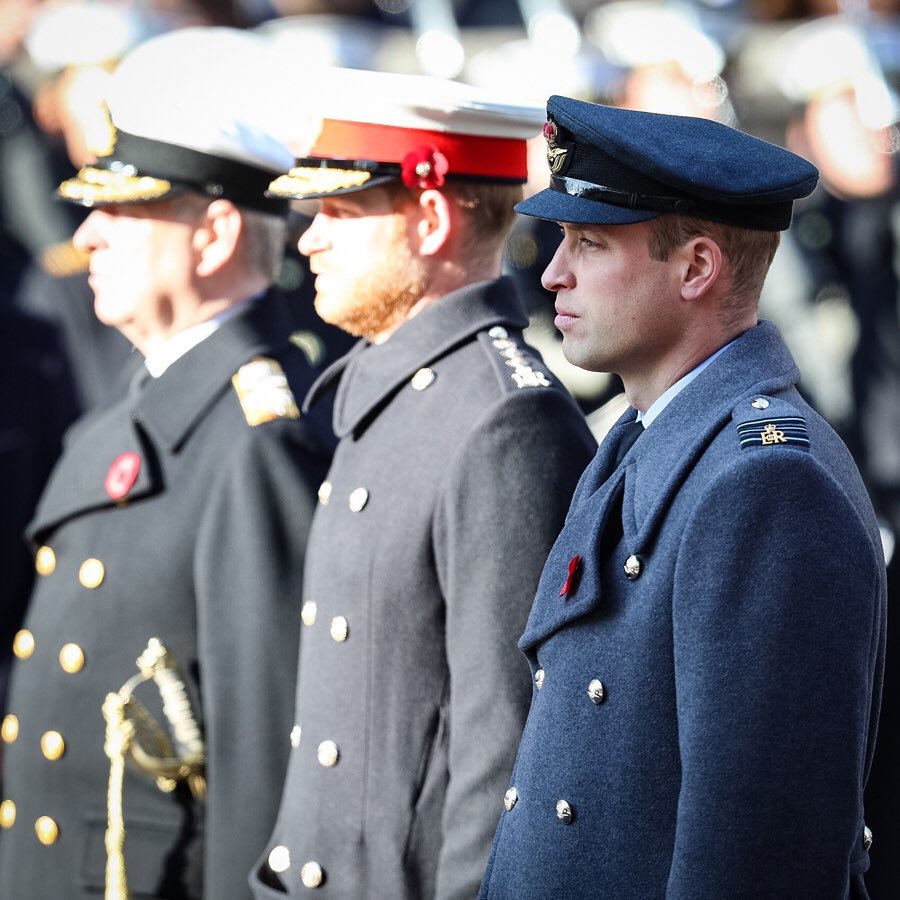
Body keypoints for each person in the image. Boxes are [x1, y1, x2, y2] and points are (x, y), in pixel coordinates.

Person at [477, 97, 888, 898]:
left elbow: (754, 862)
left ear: (697, 268)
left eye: (590, 243)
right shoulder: (645, 436)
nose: (553, 273)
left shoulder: (767, 487)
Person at [0, 27, 333, 900]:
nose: (89, 234)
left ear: (215, 235)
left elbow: (263, 763)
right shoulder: (127, 411)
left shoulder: (258, 444)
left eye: (125, 210)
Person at [249, 69, 597, 898]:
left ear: (432, 220)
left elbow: (504, 752)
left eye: (339, 214)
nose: (309, 240)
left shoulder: (505, 420)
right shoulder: (391, 385)